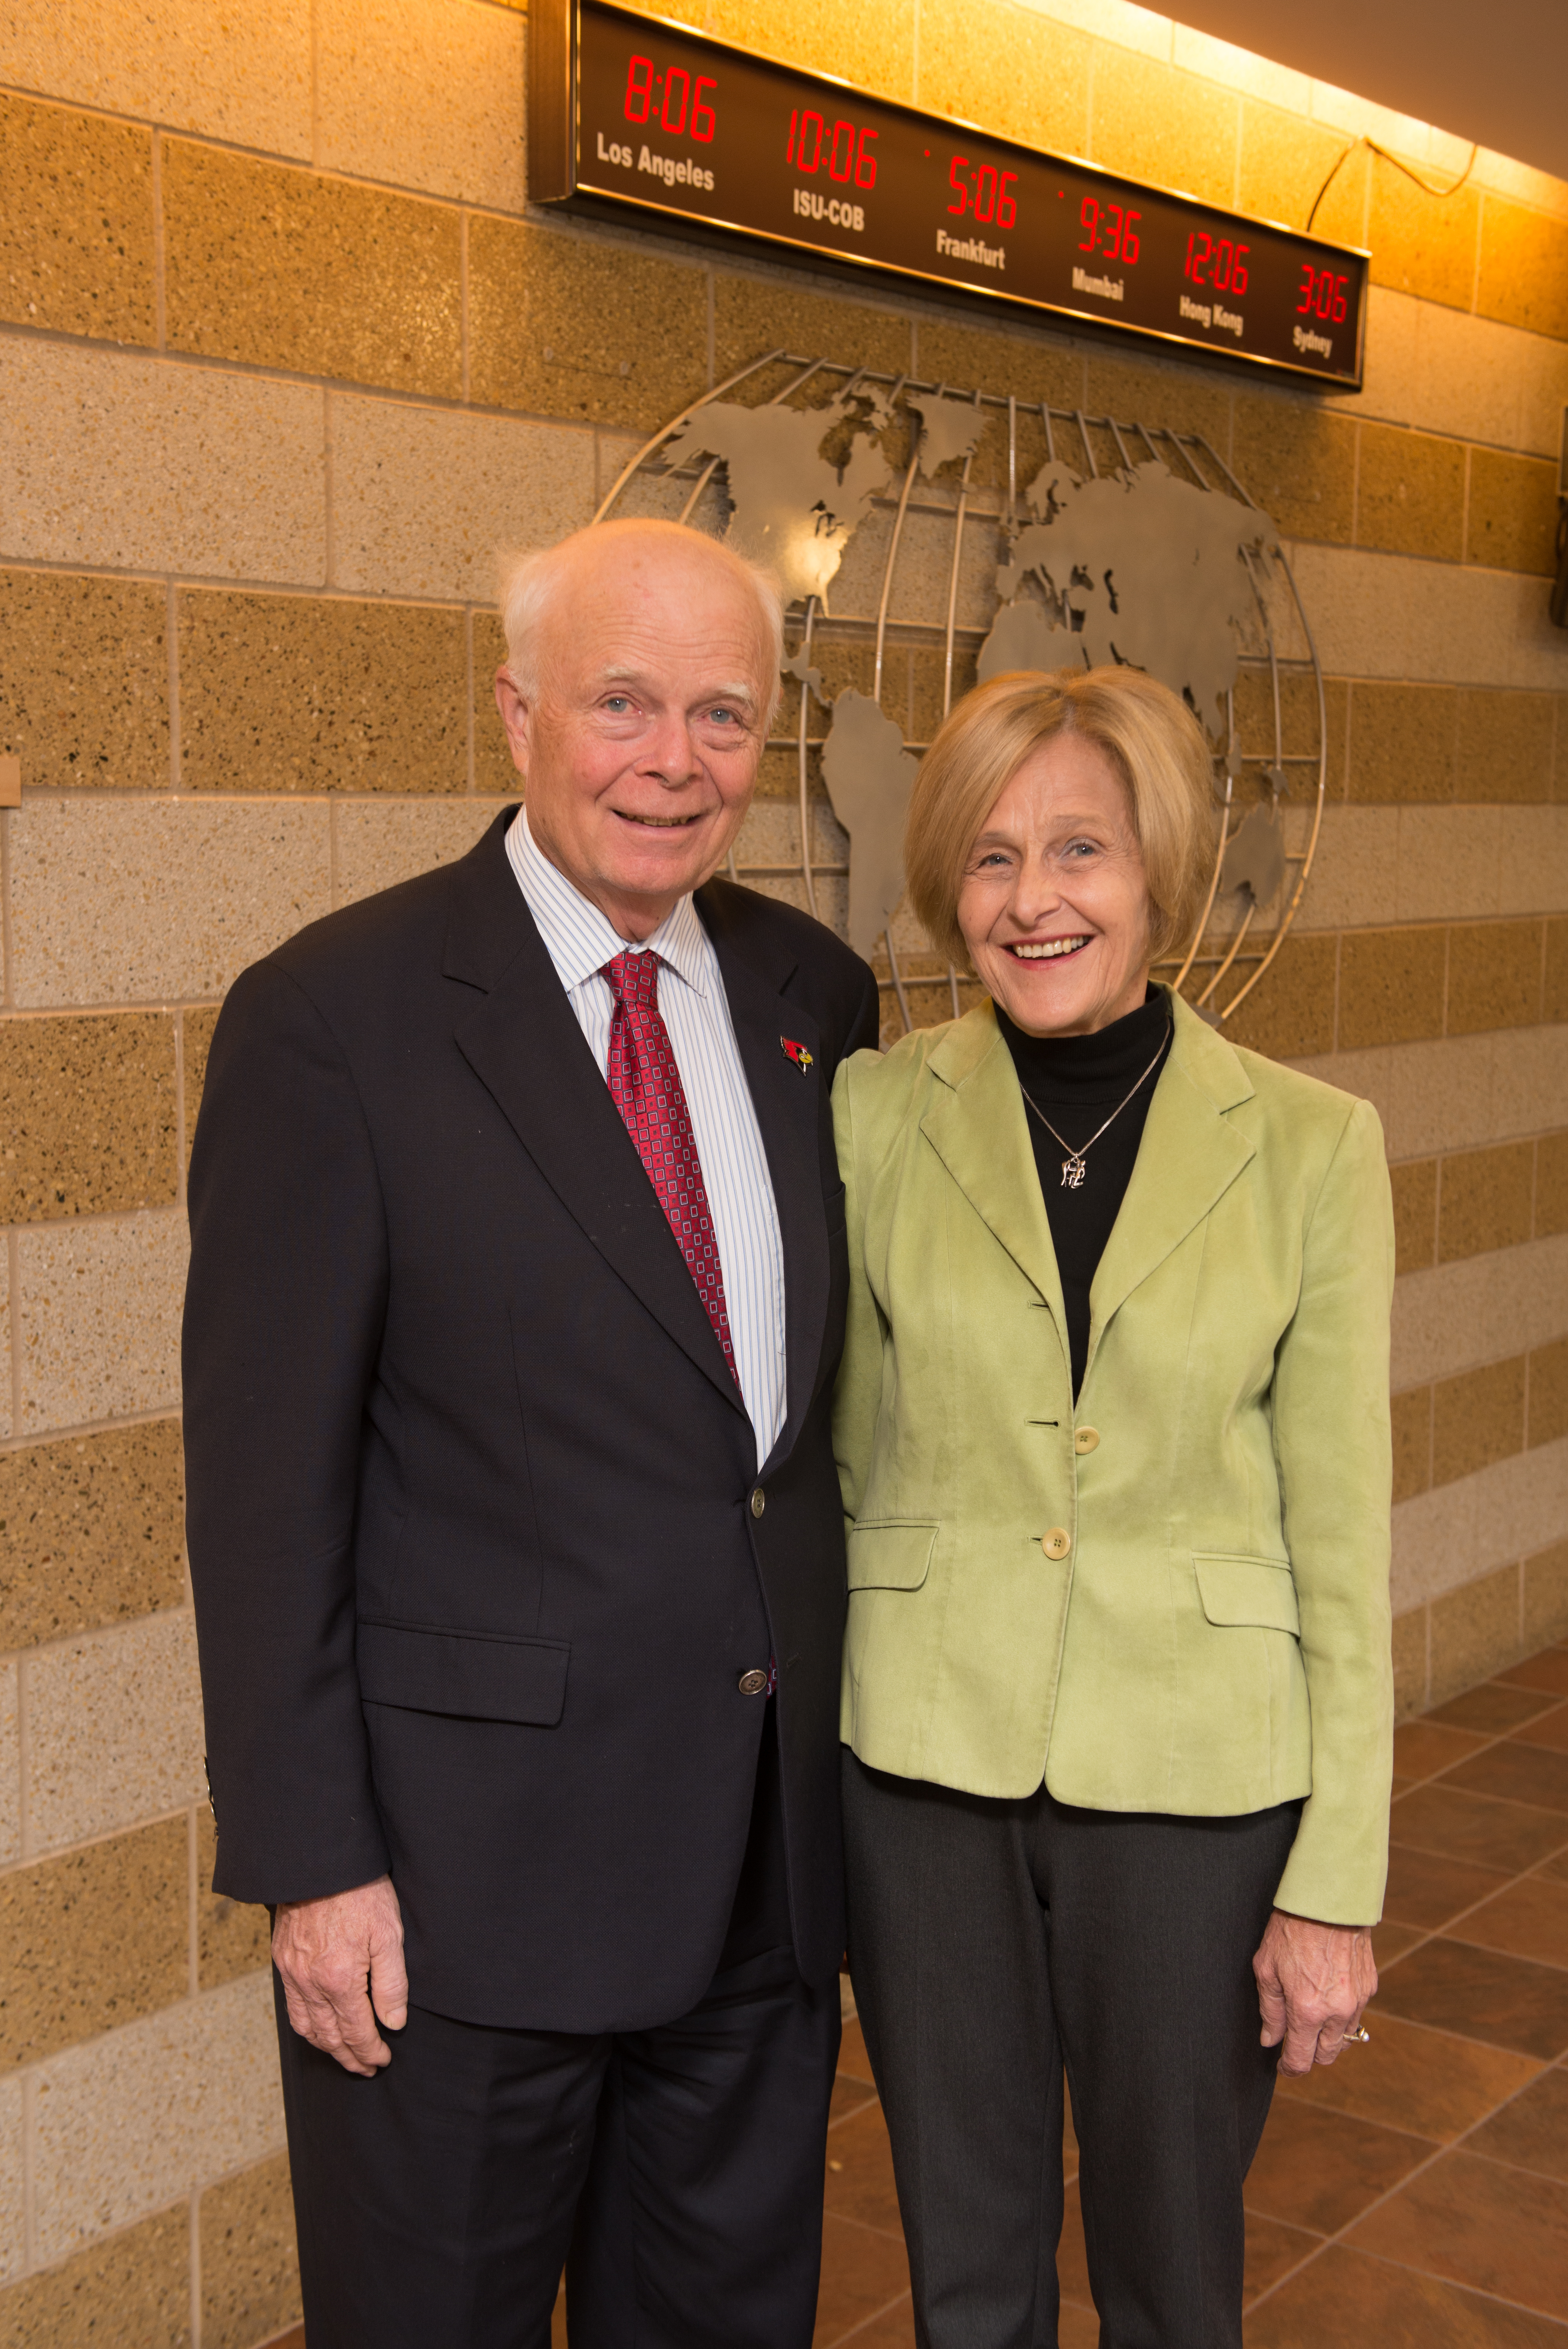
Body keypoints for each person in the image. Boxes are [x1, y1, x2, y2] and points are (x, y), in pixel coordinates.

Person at [183, 517, 880, 2348]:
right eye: (623, 703)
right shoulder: (332, 1021)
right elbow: (263, 1494)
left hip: (752, 1888)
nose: (674, 761)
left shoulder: (817, 999)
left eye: (723, 715)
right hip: (456, 1912)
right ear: (512, 714)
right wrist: (311, 1863)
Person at [830, 665, 1393, 2349]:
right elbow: (846, 1463)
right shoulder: (871, 1114)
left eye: (1076, 849)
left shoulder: (1310, 1145)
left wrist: (1336, 1884)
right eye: (989, 859)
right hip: (923, 1776)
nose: (1031, 900)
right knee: (966, 2269)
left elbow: (1344, 1545)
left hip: (1198, 1783)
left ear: (1157, 866)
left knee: (1169, 2273)